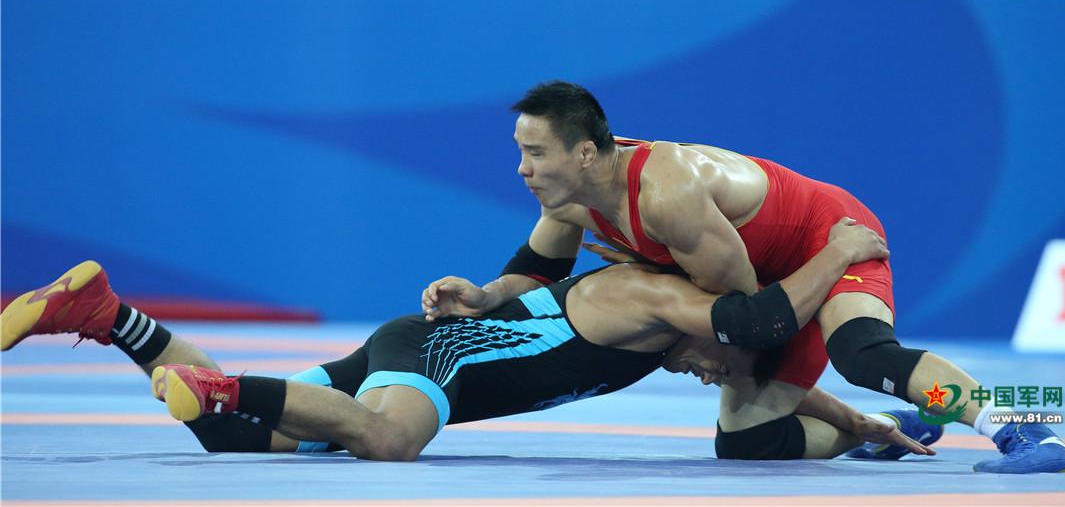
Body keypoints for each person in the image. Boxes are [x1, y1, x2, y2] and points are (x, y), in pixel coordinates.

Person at [421, 80, 1065, 474]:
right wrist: (484, 296)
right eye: (521, 152)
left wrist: (690, 336)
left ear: (586, 153)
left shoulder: (666, 195)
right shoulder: (569, 200)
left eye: (535, 153)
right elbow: (536, 274)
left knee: (863, 354)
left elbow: (752, 319)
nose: (523, 168)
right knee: (751, 442)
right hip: (764, 287)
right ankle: (897, 422)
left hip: (829, 240)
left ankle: (1027, 426)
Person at [2, 221, 935, 462]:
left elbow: (767, 369)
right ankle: (226, 386)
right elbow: (757, 332)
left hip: (415, 344)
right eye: (720, 371)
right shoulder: (668, 303)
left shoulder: (662, 330)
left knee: (226, 439)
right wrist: (839, 255)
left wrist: (861, 424)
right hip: (437, 356)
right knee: (389, 440)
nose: (710, 377)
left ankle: (106, 316)